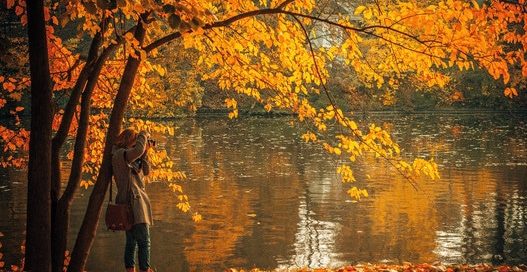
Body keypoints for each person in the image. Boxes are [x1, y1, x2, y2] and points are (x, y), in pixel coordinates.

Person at [112, 128, 154, 272]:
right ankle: (145, 270)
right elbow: (137, 150)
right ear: (130, 140)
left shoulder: (132, 158)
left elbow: (147, 171)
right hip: (132, 203)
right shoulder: (120, 154)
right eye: (136, 141)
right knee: (144, 241)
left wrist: (146, 153)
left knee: (132, 241)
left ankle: (131, 270)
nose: (139, 145)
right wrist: (144, 133)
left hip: (134, 201)